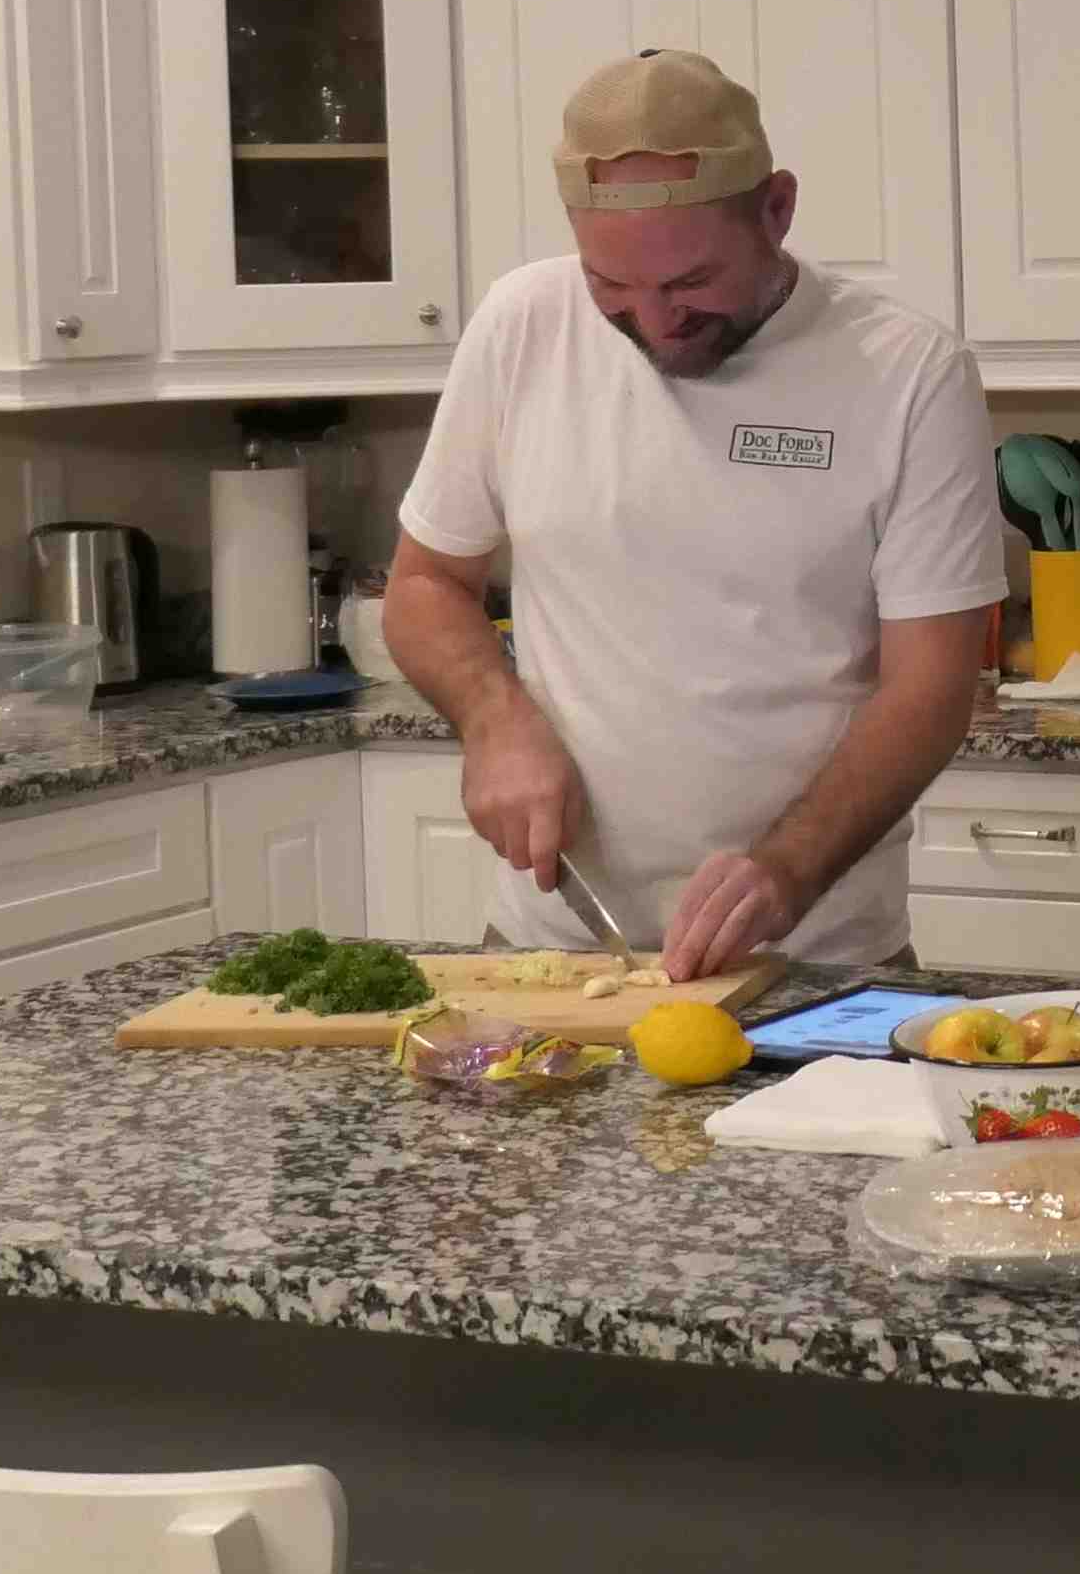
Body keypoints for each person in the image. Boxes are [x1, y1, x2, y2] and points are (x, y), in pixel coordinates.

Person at [384, 53, 1003, 981]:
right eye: (611, 286)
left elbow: (931, 689)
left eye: (689, 283)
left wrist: (787, 872)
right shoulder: (521, 324)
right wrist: (491, 717)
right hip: (554, 951)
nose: (655, 322)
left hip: (813, 959)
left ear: (777, 209)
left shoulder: (909, 373)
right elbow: (427, 583)